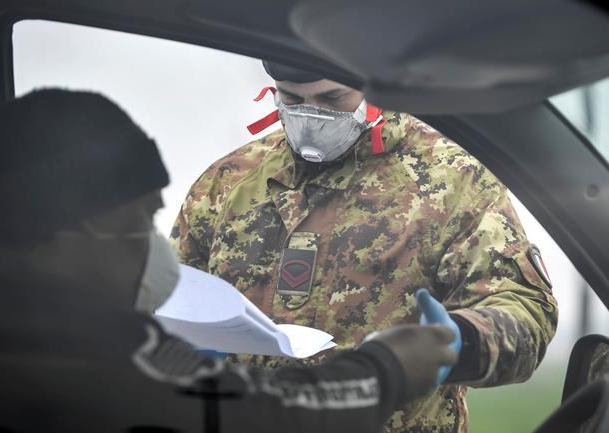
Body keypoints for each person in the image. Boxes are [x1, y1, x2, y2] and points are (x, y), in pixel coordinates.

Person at [0, 88, 458, 433]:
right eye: (141, 219)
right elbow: (261, 420)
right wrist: (387, 367)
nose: (153, 246)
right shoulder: (79, 344)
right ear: (80, 224)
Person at [172, 61, 560, 433]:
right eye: (292, 100)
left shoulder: (453, 180)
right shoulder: (228, 182)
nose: (312, 116)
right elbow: (168, 293)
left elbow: (527, 309)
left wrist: (460, 339)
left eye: (331, 99)